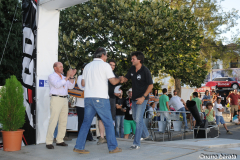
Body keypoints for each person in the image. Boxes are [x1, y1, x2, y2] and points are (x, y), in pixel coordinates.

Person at [74, 47, 122, 154]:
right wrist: (120, 79)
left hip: (88, 98)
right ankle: (113, 147)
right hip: (100, 98)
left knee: (86, 123)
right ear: (103, 55)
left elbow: (83, 83)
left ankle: (79, 146)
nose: (107, 57)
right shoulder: (105, 65)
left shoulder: (87, 66)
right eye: (106, 55)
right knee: (109, 122)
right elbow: (113, 81)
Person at [120, 51, 153, 150]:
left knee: (138, 120)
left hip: (142, 98)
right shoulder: (132, 69)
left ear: (139, 60)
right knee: (136, 119)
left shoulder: (145, 71)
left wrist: (143, 97)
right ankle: (146, 134)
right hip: (134, 98)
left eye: (133, 58)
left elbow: (151, 85)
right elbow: (126, 79)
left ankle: (136, 143)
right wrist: (121, 79)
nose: (131, 60)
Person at [46, 62, 76, 149]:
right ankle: (49, 141)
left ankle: (60, 140)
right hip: (56, 99)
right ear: (55, 68)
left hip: (64, 99)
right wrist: (67, 77)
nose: (62, 68)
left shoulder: (63, 77)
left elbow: (71, 86)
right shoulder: (52, 76)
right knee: (53, 120)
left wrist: (71, 77)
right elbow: (57, 84)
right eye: (60, 66)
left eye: (62, 66)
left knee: (63, 121)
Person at [96, 59, 119, 144]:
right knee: (101, 118)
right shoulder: (101, 74)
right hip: (102, 98)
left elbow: (118, 89)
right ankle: (101, 137)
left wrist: (119, 94)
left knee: (111, 118)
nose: (112, 67)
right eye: (110, 65)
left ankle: (110, 137)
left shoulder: (115, 76)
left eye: (113, 65)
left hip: (112, 99)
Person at [75, 63, 95, 141]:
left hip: (89, 103)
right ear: (83, 69)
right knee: (81, 121)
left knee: (88, 120)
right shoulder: (80, 77)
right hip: (80, 103)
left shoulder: (91, 77)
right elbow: (81, 87)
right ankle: (81, 137)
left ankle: (88, 136)